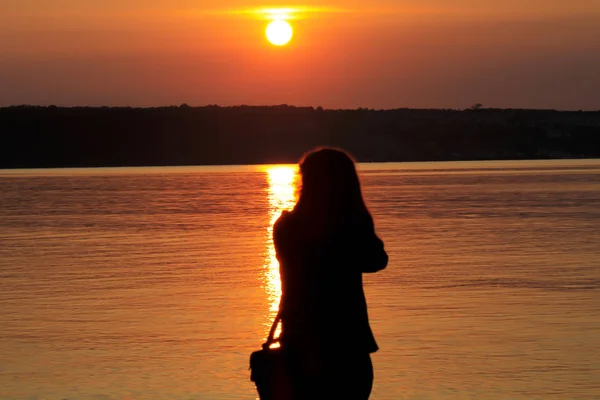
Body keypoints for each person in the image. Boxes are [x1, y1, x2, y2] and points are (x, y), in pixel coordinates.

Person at [273, 147, 388, 399]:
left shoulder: (285, 226)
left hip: (298, 339)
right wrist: (358, 214)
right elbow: (376, 260)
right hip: (346, 342)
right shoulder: (347, 228)